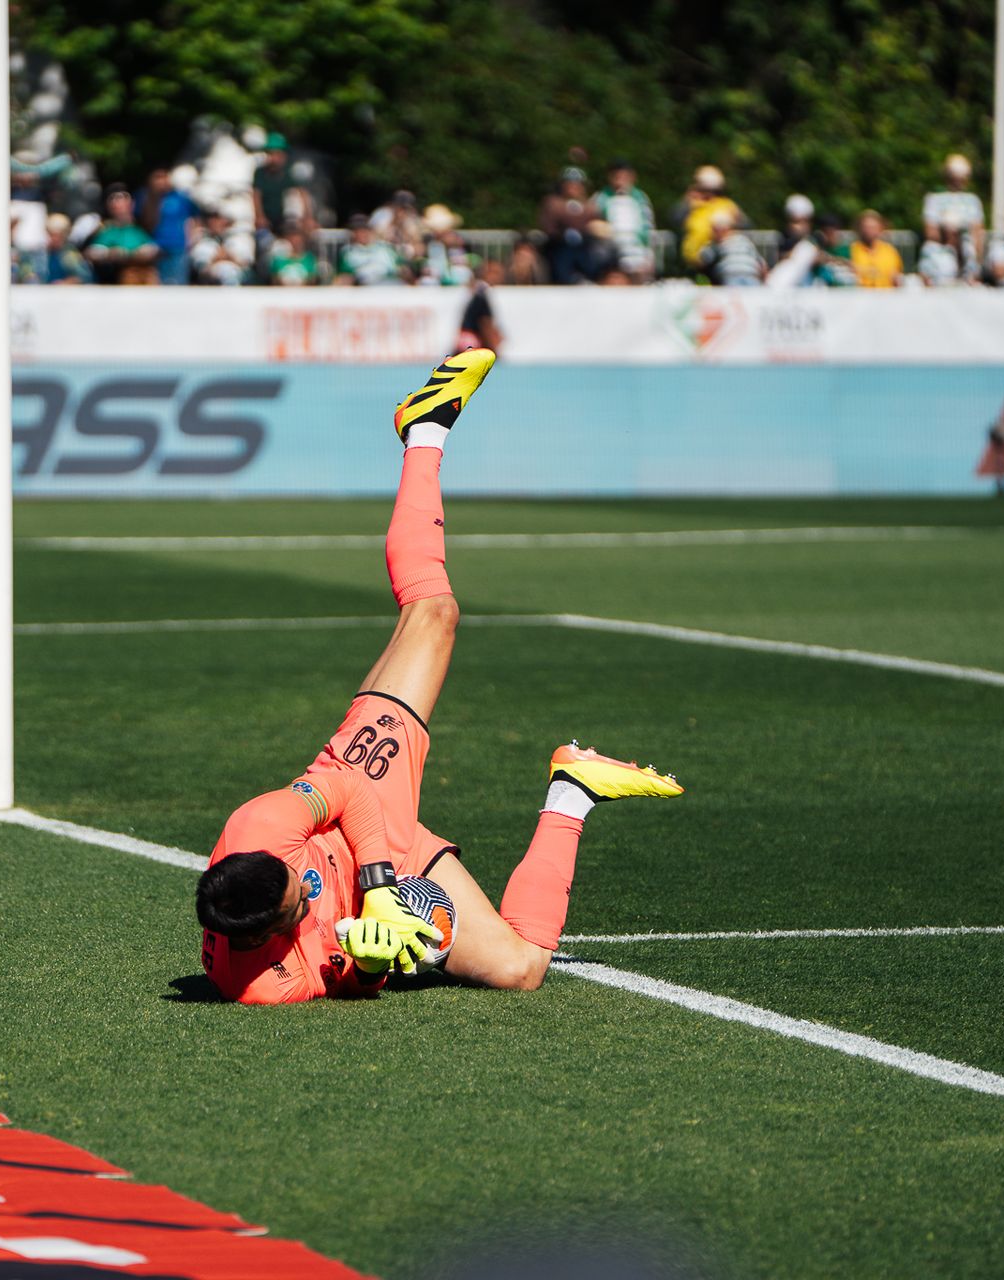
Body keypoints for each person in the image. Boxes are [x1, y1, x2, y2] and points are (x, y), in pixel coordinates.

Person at [194, 351, 684, 1004]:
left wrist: (375, 887)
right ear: (265, 937)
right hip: (389, 875)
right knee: (520, 969)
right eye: (296, 899)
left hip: (363, 799)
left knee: (433, 615)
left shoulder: (258, 829)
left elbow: (345, 794)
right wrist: (373, 960)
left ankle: (423, 431)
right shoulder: (263, 984)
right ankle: (572, 790)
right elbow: (350, 981)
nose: (300, 889)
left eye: (291, 877)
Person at [593, 160, 655, 282]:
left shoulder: (640, 198)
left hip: (636, 247)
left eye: (624, 176)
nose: (620, 180)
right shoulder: (600, 198)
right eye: (616, 176)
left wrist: (649, 256)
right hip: (611, 248)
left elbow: (648, 227)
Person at [673, 166, 742, 274]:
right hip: (691, 261)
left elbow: (743, 225)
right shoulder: (691, 205)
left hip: (716, 257)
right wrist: (688, 200)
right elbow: (675, 219)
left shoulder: (726, 205)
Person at [85, 185, 159, 284]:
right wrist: (109, 253)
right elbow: (91, 253)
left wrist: (142, 253)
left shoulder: (139, 228)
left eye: (123, 199)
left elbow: (152, 248)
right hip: (116, 276)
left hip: (143, 272)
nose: (119, 204)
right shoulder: (105, 229)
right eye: (114, 200)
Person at [922, 154, 985, 263]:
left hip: (967, 256)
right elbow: (930, 231)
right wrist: (950, 237)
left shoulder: (972, 200)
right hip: (941, 256)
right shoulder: (935, 199)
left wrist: (978, 259)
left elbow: (977, 232)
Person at [537, 167, 596, 285]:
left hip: (585, 246)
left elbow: (594, 224)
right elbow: (549, 225)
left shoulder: (590, 205)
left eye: (577, 184)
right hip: (559, 245)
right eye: (569, 184)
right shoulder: (552, 202)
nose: (573, 187)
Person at [145, 165, 200, 285]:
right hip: (157, 249)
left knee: (178, 284)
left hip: (178, 248)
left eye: (164, 177)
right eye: (157, 178)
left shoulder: (180, 198)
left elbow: (195, 218)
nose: (161, 181)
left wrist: (192, 239)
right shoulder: (148, 199)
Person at [698, 210, 764, 286]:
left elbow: (703, 260)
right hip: (747, 276)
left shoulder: (718, 244)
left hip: (737, 276)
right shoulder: (744, 240)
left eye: (715, 230)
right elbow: (760, 262)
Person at [335, 213, 403, 285]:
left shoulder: (385, 248)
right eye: (358, 231)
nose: (362, 234)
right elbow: (343, 276)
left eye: (365, 230)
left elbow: (401, 267)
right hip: (363, 288)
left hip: (392, 285)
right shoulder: (349, 253)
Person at [847, 210, 902, 288]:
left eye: (873, 227)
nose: (869, 231)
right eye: (866, 227)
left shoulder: (890, 251)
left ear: (880, 228)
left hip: (886, 296)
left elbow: (896, 276)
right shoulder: (852, 250)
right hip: (860, 296)